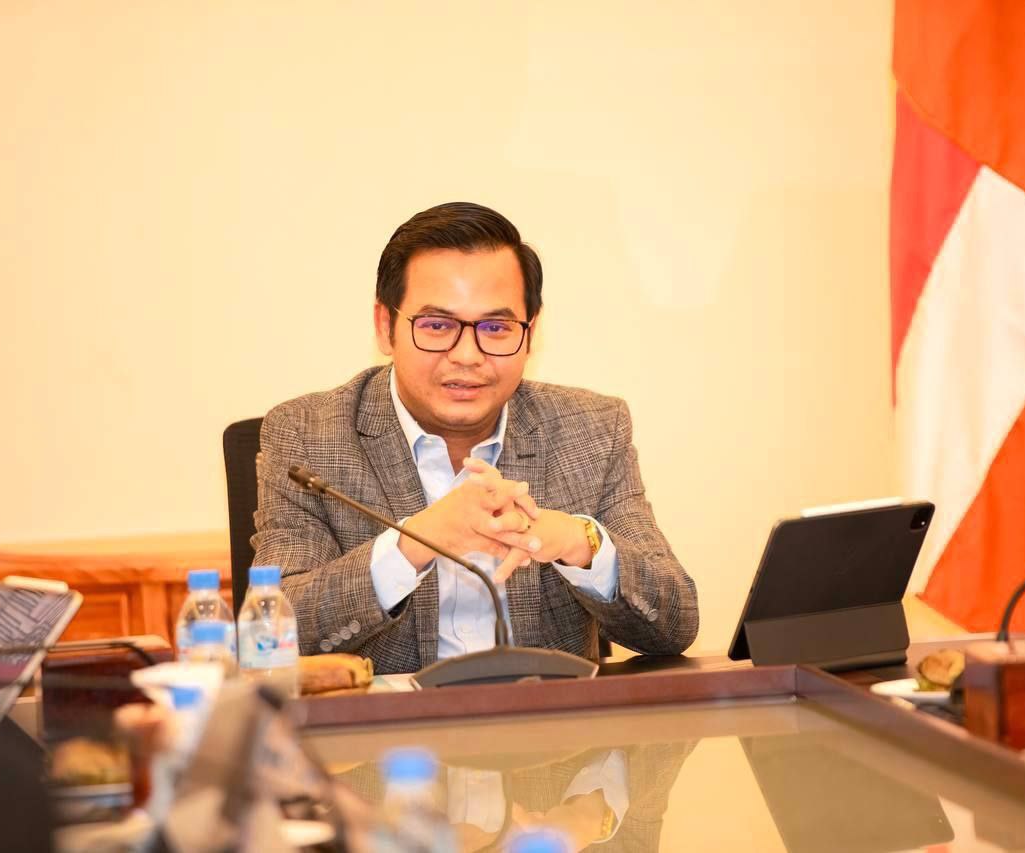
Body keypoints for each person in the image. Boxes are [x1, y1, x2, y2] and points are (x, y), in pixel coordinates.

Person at [252, 201, 697, 673]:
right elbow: (272, 631)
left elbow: (674, 626)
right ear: (386, 327)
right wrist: (416, 542)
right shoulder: (307, 435)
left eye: (496, 327)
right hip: (386, 721)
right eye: (437, 325)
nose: (467, 355)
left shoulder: (590, 430)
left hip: (546, 720)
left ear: (530, 333)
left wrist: (578, 542)